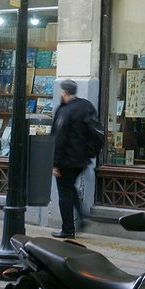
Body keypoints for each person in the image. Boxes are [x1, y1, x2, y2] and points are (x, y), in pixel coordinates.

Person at [51, 79, 97, 239]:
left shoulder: (65, 110)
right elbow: (95, 132)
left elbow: (59, 138)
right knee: (70, 188)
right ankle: (82, 217)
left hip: (66, 160)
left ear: (64, 92)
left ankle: (68, 229)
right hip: (82, 159)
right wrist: (89, 153)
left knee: (64, 193)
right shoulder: (86, 106)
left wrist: (55, 163)